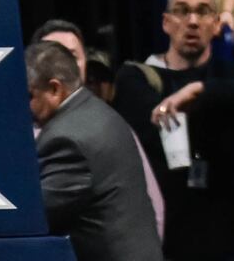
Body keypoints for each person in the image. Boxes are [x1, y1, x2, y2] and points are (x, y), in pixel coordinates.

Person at [111, 0, 234, 261]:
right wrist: (221, 101)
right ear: (166, 22)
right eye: (182, 11)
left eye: (203, 11)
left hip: (222, 230)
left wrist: (200, 92)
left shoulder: (224, 74)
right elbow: (155, 122)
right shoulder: (136, 77)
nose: (192, 21)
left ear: (216, 24)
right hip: (160, 229)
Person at [30, 20, 166, 242]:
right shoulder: (19, 139)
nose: (61, 64)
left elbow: (152, 209)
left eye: (71, 55)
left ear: (84, 63)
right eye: (51, 55)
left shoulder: (114, 127)